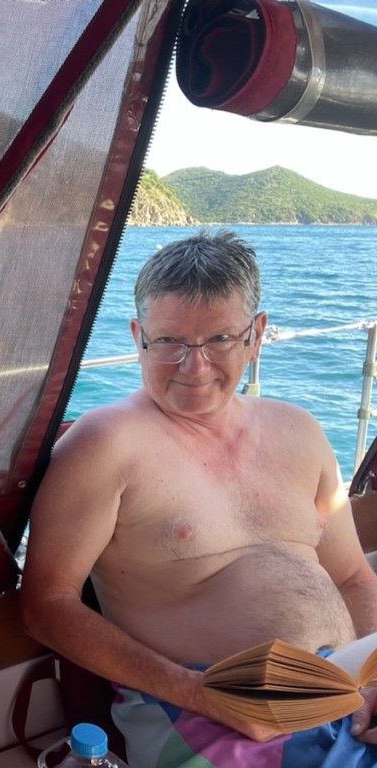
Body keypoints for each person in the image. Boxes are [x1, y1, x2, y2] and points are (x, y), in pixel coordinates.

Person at [20, 229, 377, 766]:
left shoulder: (300, 431)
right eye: (169, 341)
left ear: (256, 335)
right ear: (138, 335)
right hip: (199, 705)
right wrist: (200, 693)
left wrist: (372, 679)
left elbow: (352, 577)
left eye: (219, 339)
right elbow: (46, 606)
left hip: (346, 687)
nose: (195, 366)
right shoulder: (104, 445)